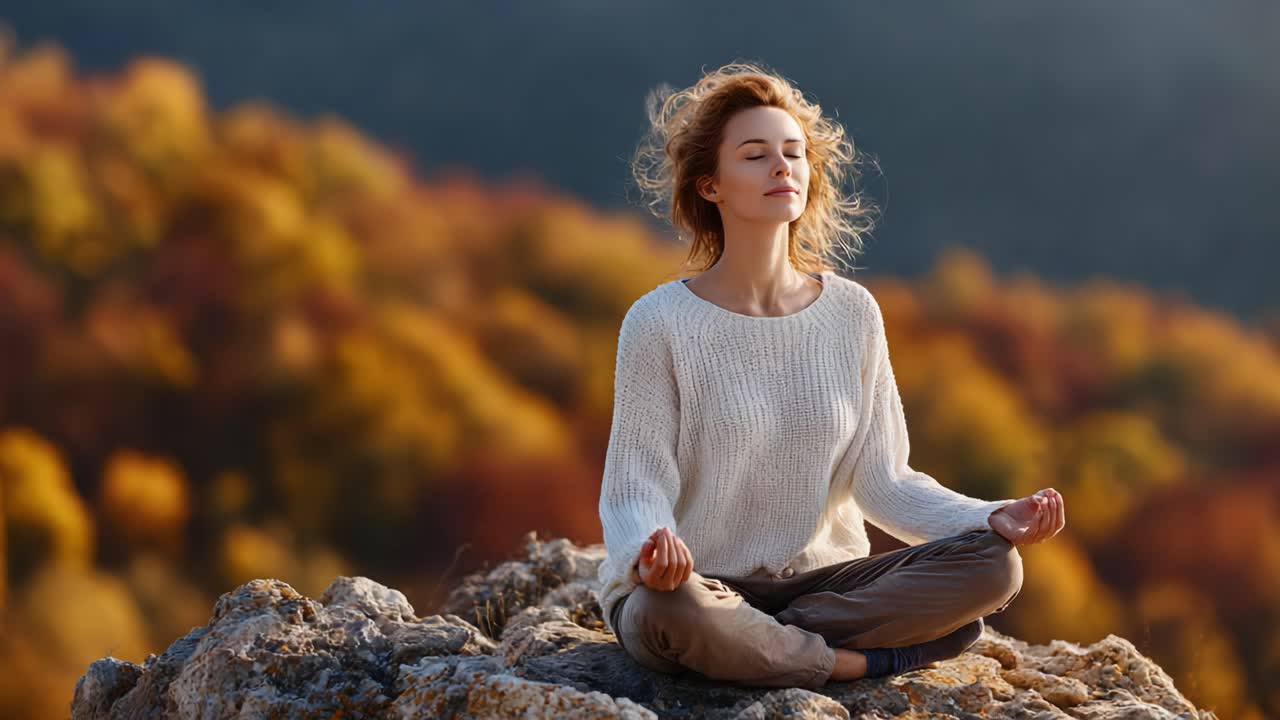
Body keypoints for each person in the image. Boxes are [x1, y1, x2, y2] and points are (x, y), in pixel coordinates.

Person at [596, 61, 1066, 689]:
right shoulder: (658, 322)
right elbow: (635, 486)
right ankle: (850, 661)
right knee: (663, 612)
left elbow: (885, 482)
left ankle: (761, 645)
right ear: (711, 186)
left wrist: (990, 516)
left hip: (824, 584)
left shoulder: (851, 313)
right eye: (756, 155)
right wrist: (651, 553)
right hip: (695, 584)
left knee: (994, 567)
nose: (781, 167)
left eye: (793, 152)